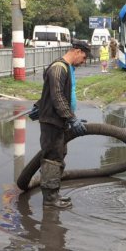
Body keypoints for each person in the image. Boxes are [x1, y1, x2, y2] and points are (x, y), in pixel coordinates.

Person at [36, 39, 92, 208]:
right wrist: (71, 118)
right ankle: (50, 199)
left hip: (59, 120)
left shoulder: (66, 68)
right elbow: (58, 96)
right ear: (77, 51)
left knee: (58, 157)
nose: (83, 63)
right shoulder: (58, 68)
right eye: (83, 59)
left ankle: (54, 195)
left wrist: (70, 117)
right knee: (52, 159)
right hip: (52, 121)